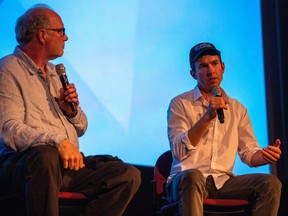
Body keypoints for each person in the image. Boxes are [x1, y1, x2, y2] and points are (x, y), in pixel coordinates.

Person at [0, 4, 141, 216]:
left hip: (64, 167)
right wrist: (58, 142)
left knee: (127, 175)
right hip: (25, 165)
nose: (66, 38)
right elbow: (8, 129)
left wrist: (71, 112)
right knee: (45, 156)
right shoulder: (8, 69)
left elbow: (82, 127)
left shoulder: (56, 73)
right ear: (42, 35)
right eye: (61, 31)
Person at [166, 42, 282, 216]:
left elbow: (249, 153)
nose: (211, 71)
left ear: (222, 67)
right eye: (203, 66)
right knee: (193, 176)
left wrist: (264, 156)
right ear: (193, 74)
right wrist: (207, 117)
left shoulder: (237, 109)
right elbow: (179, 152)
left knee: (270, 183)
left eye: (214, 64)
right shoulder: (180, 104)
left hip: (222, 182)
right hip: (185, 181)